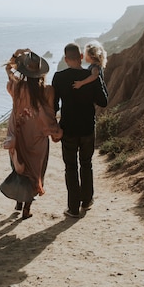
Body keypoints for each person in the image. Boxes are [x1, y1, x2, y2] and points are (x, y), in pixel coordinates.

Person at [0, 49, 63, 220]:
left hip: (19, 135)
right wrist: (54, 131)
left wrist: (14, 56)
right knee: (35, 171)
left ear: (25, 71)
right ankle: (27, 208)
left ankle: (19, 202)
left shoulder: (18, 87)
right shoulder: (48, 90)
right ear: (41, 73)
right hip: (38, 139)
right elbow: (50, 114)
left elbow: (8, 70)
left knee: (19, 166)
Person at [52, 43, 108, 218]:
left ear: (66, 59)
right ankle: (87, 200)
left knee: (70, 167)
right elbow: (103, 102)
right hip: (87, 128)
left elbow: (53, 106)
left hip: (68, 128)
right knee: (86, 164)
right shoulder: (91, 75)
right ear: (81, 57)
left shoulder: (59, 77)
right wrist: (98, 79)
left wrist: (54, 126)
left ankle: (73, 208)